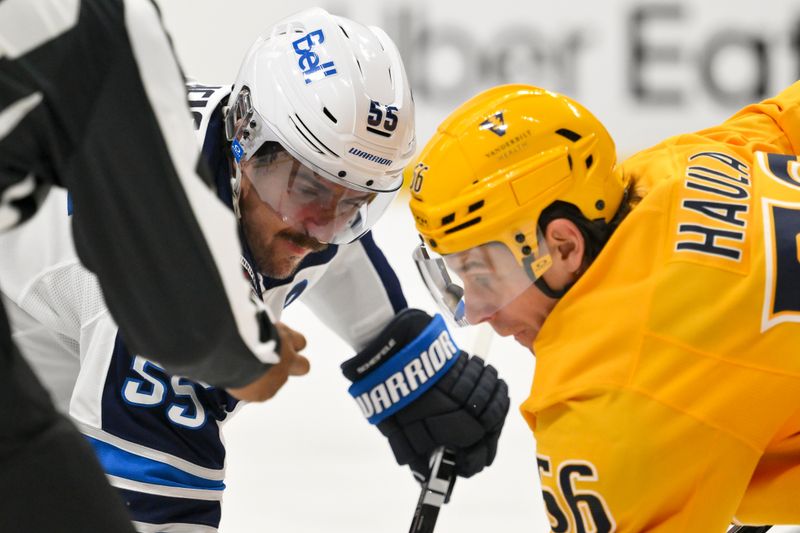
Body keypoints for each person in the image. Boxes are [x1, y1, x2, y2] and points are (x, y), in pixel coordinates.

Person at [1, 7, 511, 532]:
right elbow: (150, 508)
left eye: (355, 202)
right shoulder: (170, 271)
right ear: (245, 136)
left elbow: (337, 246)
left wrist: (406, 364)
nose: (321, 230)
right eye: (308, 188)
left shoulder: (271, 176)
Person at [406, 82, 800, 531]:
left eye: (481, 275)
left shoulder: (607, 401)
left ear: (564, 246)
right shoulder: (673, 167)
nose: (475, 312)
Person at [0, 1, 303, 531]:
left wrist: (396, 349)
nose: (320, 226)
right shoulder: (109, 23)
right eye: (305, 187)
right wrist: (249, 357)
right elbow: (178, 293)